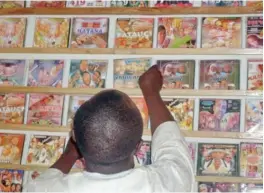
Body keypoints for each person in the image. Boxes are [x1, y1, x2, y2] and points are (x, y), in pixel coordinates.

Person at [25, 65, 195, 192]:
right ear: (139, 147)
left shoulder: (39, 189)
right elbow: (171, 148)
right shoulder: (167, 185)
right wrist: (151, 92)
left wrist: (70, 155)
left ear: (75, 138)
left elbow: (44, 183)